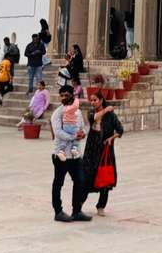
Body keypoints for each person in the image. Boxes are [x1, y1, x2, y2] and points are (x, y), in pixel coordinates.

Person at [50, 86, 90, 222]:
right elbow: (58, 132)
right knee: (58, 183)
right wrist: (74, 136)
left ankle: (77, 211)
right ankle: (58, 211)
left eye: (66, 95)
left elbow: (83, 128)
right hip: (61, 155)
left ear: (72, 95)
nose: (63, 98)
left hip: (75, 154)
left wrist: (82, 133)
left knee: (80, 181)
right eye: (61, 95)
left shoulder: (78, 112)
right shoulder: (57, 113)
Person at [82, 93, 123, 216]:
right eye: (91, 100)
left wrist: (111, 138)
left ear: (101, 100)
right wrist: (106, 109)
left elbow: (120, 130)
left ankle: (101, 206)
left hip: (105, 150)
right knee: (86, 177)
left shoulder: (111, 116)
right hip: (91, 150)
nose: (93, 102)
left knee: (105, 177)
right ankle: (78, 204)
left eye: (95, 100)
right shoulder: (91, 112)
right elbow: (93, 118)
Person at [54, 93, 82, 162]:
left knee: (64, 141)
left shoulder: (64, 108)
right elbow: (76, 105)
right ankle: (74, 148)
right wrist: (75, 98)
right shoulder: (72, 108)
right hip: (72, 125)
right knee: (77, 135)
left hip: (65, 125)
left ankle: (61, 151)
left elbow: (82, 126)